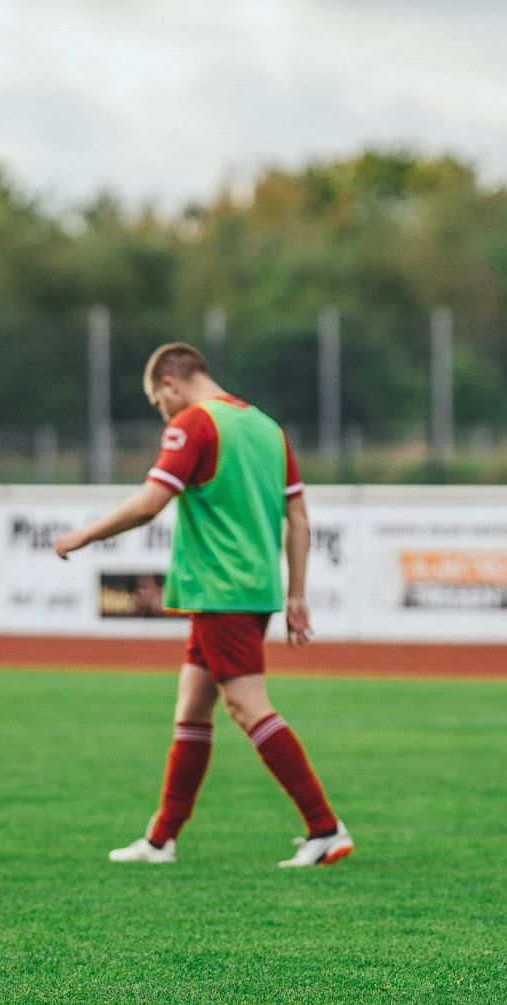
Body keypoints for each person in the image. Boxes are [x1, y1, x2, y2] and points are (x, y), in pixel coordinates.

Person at [53, 342, 353, 867]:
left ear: (172, 382)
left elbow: (150, 502)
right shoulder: (266, 427)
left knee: (246, 705)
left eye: (156, 402)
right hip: (250, 589)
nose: (161, 413)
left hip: (220, 589)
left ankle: (324, 826)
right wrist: (296, 593)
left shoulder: (195, 424)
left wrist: (85, 535)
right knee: (192, 707)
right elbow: (299, 517)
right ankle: (160, 839)